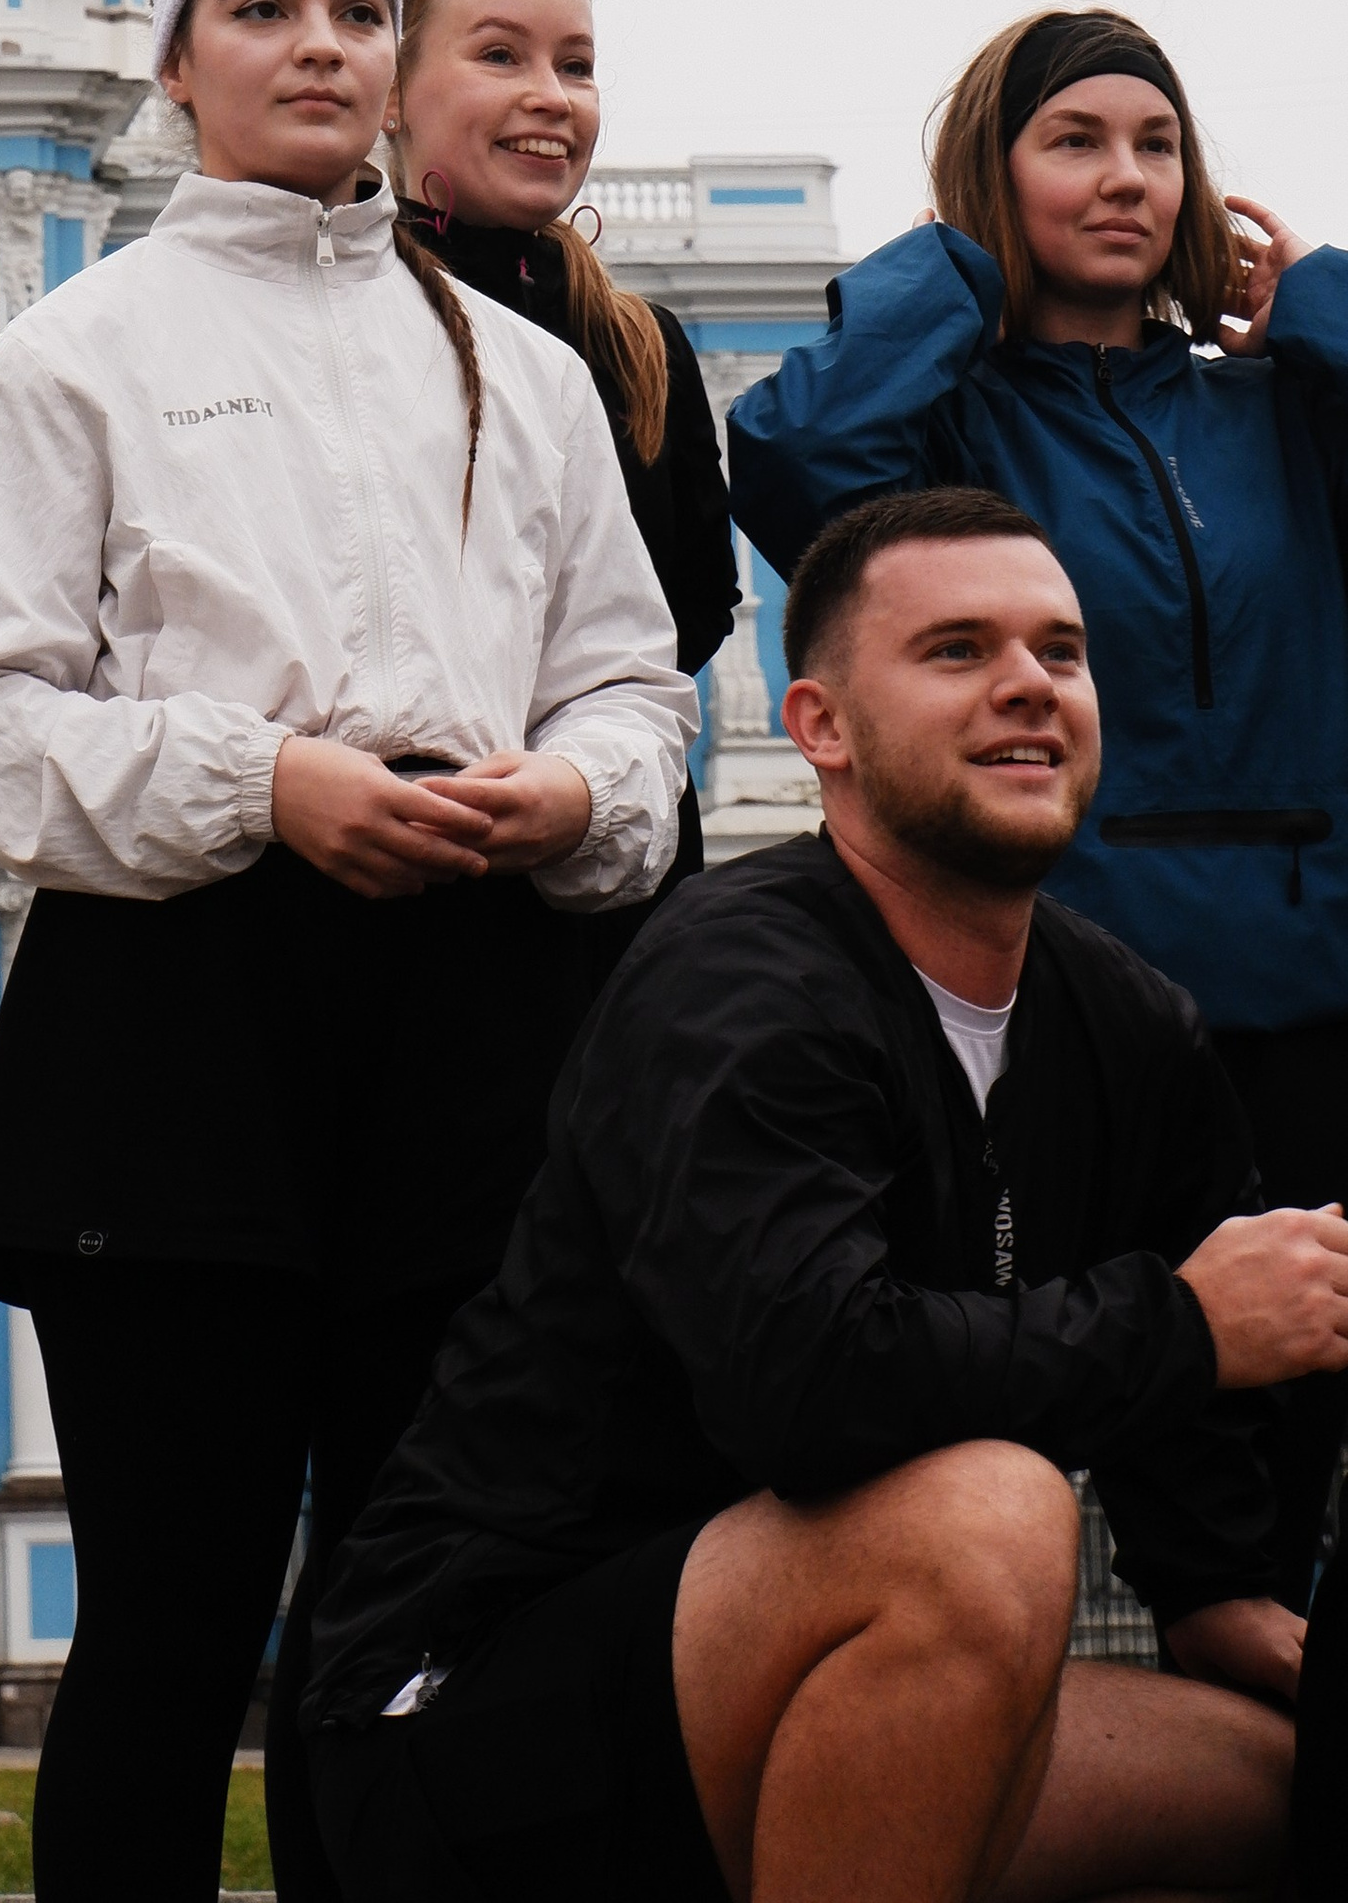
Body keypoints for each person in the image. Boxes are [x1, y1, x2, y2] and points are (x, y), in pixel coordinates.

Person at [0, 0, 694, 1902]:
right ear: (176, 65)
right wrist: (265, 785)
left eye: (353, 7)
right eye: (261, 8)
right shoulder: (73, 354)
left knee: (404, 1621)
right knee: (169, 1624)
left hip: (470, 1021)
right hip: (181, 1027)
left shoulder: (520, 377)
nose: (320, 43)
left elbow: (625, 666)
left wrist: (567, 793)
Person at [304, 488, 1348, 1902]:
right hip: (474, 1717)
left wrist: (1220, 1592)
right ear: (822, 729)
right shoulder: (739, 982)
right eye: (959, 651)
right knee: (985, 1516)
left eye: (1062, 651)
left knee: (1291, 1779)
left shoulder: (1126, 1024)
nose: (1029, 686)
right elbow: (808, 1383)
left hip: (821, 1699)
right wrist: (1181, 1326)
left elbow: (1203, 1400)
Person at [728, 4, 1348, 1602]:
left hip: (1314, 1006)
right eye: (1074, 141)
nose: (1126, 177)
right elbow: (795, 460)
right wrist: (953, 272)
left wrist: (1322, 310)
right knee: (1049, 1447)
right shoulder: (954, 424)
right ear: (995, 182)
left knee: (1288, 1469)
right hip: (1071, 1004)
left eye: (1158, 145)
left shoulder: (1276, 409)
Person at [387, 0, 739, 929]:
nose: (550, 96)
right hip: (415, 853)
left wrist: (582, 763)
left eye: (575, 66)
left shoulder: (638, 341)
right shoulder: (342, 321)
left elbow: (694, 607)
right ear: (390, 93)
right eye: (499, 54)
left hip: (608, 859)